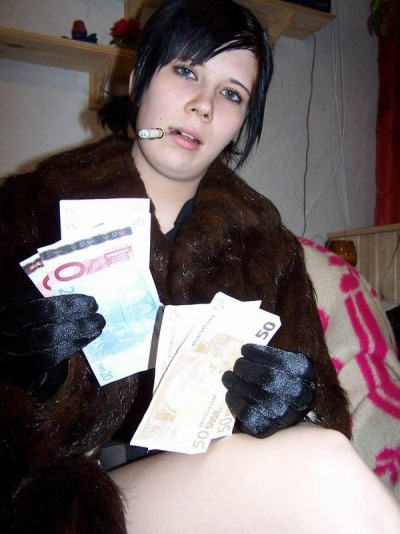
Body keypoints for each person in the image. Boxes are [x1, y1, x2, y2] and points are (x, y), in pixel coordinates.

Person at [0, 0, 399, 532]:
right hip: (55, 501)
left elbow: (322, 412)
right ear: (139, 79)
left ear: (240, 123)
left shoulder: (267, 246)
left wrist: (289, 408)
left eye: (231, 93)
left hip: (212, 494)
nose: (203, 106)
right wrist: (15, 364)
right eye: (186, 71)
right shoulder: (29, 208)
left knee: (322, 456)